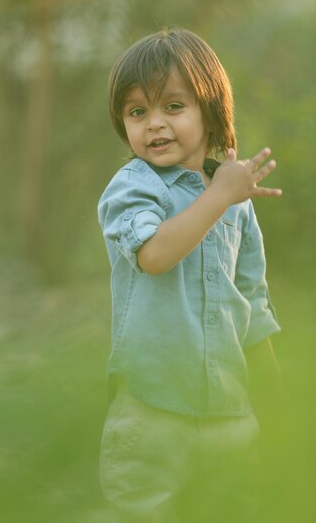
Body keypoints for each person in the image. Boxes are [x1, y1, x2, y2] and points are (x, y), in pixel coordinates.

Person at [97, 27, 283, 523]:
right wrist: (219, 195)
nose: (154, 124)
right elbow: (154, 254)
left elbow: (254, 305)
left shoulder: (234, 203)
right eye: (137, 112)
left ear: (211, 110)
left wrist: (277, 404)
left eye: (173, 107)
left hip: (230, 413)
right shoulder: (133, 186)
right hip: (151, 409)